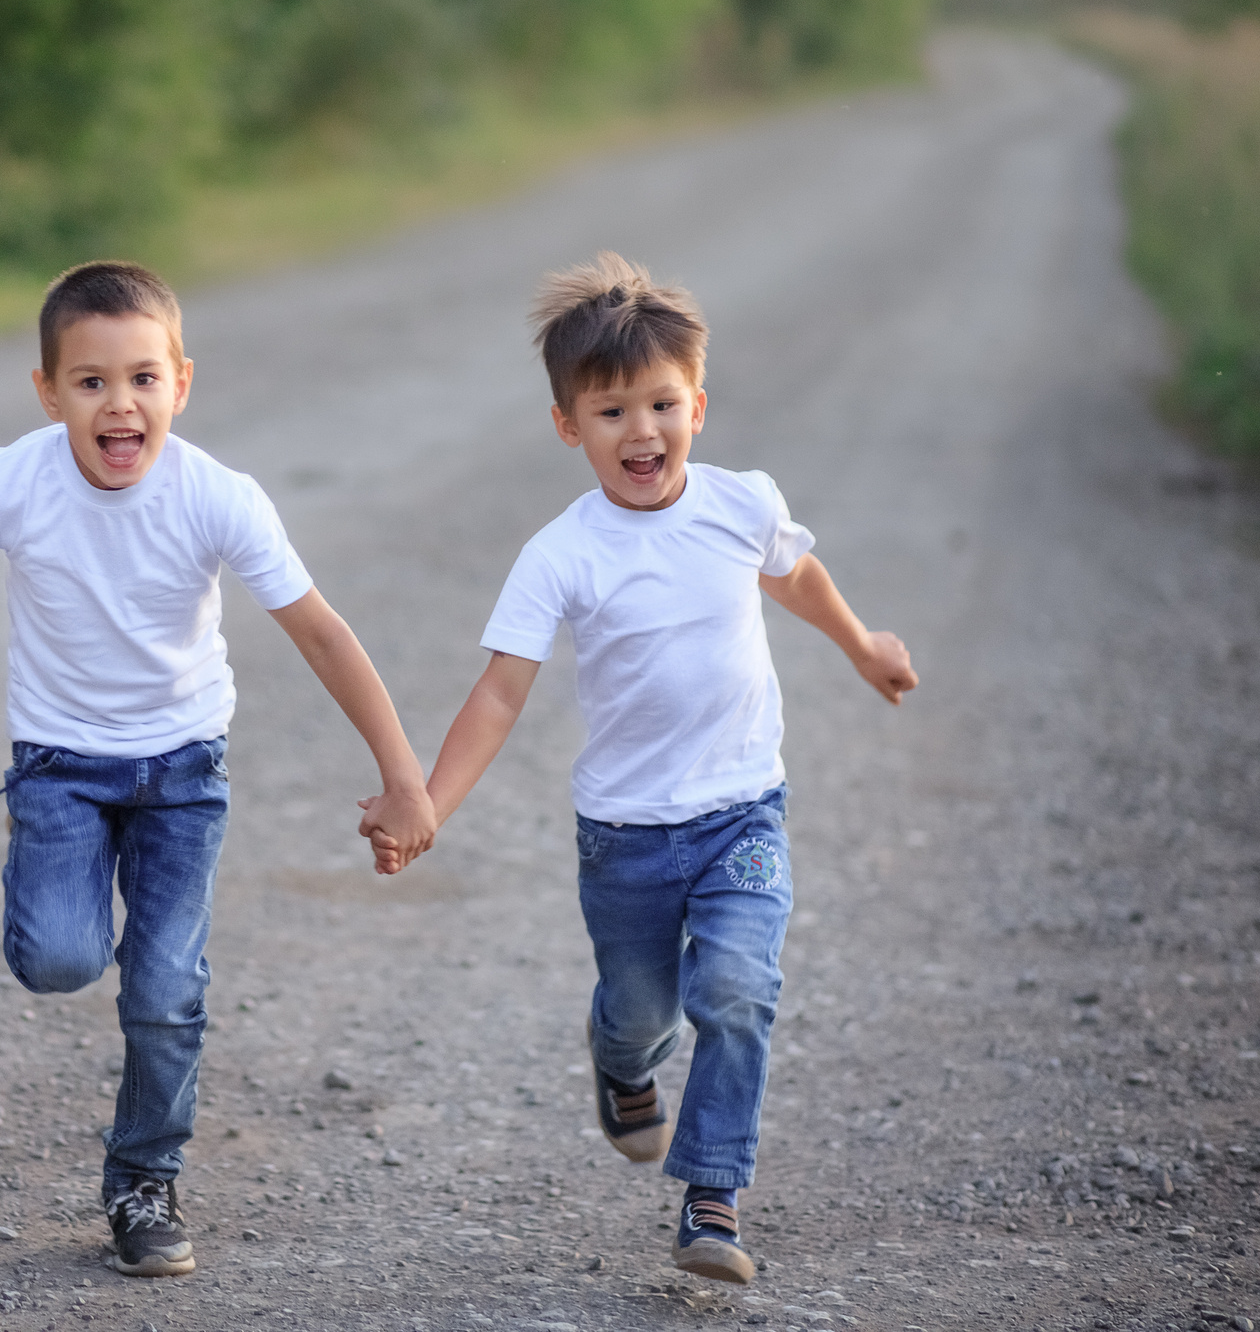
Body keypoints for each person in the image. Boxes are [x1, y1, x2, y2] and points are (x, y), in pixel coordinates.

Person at [0, 259, 437, 1277]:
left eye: (143, 380)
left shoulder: (216, 496)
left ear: (181, 384)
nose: (121, 404)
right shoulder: (7, 481)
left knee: (164, 990)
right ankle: (49, 881)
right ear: (47, 392)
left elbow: (323, 634)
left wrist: (404, 776)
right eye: (91, 382)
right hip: (61, 769)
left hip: (183, 776)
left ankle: (143, 1181)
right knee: (59, 958)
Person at [357, 252, 918, 1286]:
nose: (642, 432)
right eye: (611, 412)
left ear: (697, 405)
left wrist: (860, 644)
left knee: (737, 992)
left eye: (661, 404)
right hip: (623, 839)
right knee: (641, 1011)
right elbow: (498, 694)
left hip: (743, 813)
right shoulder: (560, 552)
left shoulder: (740, 503)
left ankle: (713, 1198)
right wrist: (428, 803)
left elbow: (796, 576)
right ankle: (620, 1066)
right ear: (569, 426)